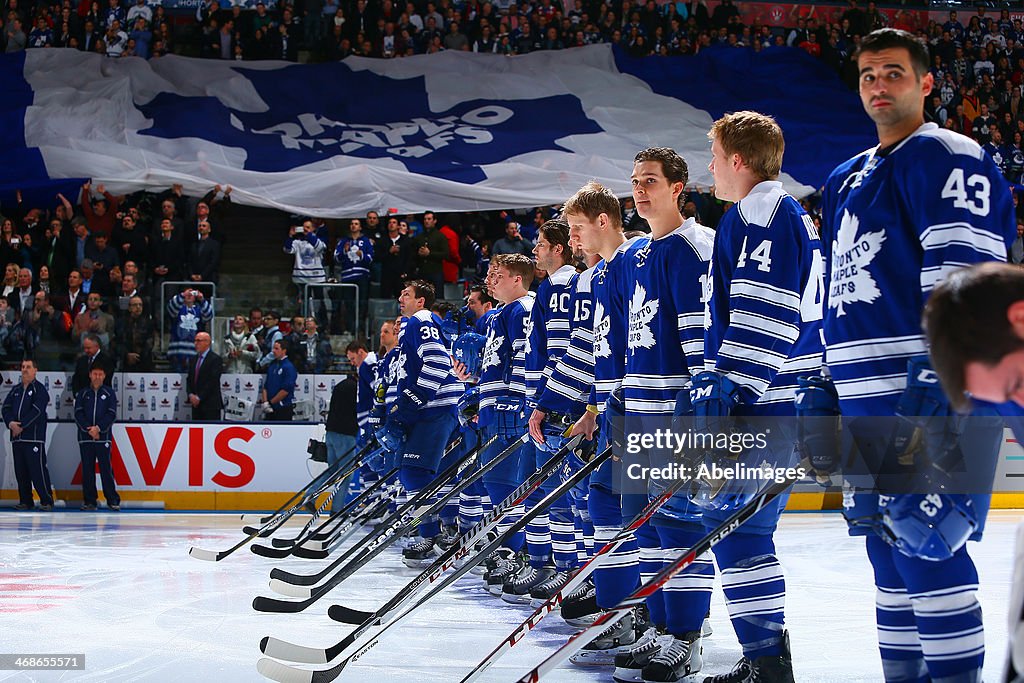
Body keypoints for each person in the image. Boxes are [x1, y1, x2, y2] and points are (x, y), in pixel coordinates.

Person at [818, 29, 1014, 683]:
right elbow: (836, 290)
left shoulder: (949, 155)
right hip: (863, 394)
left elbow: (966, 278)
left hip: (924, 393)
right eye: (869, 74)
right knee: (886, 551)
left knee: (929, 543)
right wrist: (823, 376)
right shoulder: (846, 178)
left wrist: (937, 387)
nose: (879, 85)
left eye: (894, 73)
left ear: (926, 83)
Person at [692, 116, 826, 683]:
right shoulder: (774, 211)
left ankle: (768, 661)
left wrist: (732, 393)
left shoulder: (761, 213)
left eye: (716, 156)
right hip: (777, 399)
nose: (711, 167)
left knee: (738, 527)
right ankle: (766, 659)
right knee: (744, 530)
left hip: (761, 401)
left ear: (739, 161)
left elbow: (765, 311)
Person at [501, 219, 579, 604]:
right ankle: (545, 561)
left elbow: (564, 350)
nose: (535, 250)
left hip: (554, 409)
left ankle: (565, 567)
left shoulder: (564, 285)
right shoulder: (551, 286)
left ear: (559, 249)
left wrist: (548, 403)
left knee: (558, 493)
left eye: (542, 244)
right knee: (539, 490)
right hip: (542, 405)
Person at [377, 280, 464, 561]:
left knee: (414, 472)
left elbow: (438, 364)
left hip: (434, 409)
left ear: (421, 301)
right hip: (437, 408)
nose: (400, 298)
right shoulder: (415, 326)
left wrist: (409, 404)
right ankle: (447, 529)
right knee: (434, 473)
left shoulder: (420, 320)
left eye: (406, 294)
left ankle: (432, 534)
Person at [2, 359, 53, 511]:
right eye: (23, 367)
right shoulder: (16, 390)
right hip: (17, 438)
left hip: (33, 438)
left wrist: (22, 426)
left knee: (37, 470)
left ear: (35, 370)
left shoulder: (40, 390)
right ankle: (26, 500)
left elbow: (37, 411)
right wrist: (11, 423)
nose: (25, 369)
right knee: (21, 471)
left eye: (28, 367)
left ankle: (46, 500)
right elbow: (6, 408)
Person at [75, 364, 119, 511]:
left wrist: (99, 428)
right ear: (90, 375)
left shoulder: (110, 393)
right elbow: (78, 414)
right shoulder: (82, 394)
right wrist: (89, 429)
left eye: (100, 374)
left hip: (103, 437)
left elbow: (111, 413)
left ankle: (112, 499)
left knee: (106, 468)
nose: (97, 377)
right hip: (85, 437)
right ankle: (89, 501)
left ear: (104, 376)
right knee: (87, 469)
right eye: (95, 374)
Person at [324, 371, 358, 513]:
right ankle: (337, 509)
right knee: (346, 473)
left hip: (330, 432)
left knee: (333, 471)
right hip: (345, 435)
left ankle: (309, 496)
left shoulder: (340, 385)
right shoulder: (355, 388)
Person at [166, 288, 213, 373]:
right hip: (177, 352)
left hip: (194, 354)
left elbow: (209, 315)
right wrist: (182, 295)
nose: (189, 295)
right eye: (188, 293)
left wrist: (202, 299)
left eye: (192, 293)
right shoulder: (178, 309)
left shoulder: (199, 310)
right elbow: (171, 307)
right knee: (176, 383)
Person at [187, 332, 223, 421]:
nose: (196, 343)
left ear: (207, 342)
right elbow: (189, 379)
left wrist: (199, 397)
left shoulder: (215, 359)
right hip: (196, 405)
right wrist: (191, 395)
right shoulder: (193, 359)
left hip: (210, 405)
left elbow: (212, 381)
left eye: (199, 341)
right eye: (195, 341)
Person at [260, 339, 297, 421]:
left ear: (284, 350)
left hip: (283, 408)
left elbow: (285, 390)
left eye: (276, 349)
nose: (273, 351)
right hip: (269, 409)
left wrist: (270, 403)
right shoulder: (272, 365)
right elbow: (266, 386)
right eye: (273, 348)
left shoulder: (289, 367)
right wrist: (265, 403)